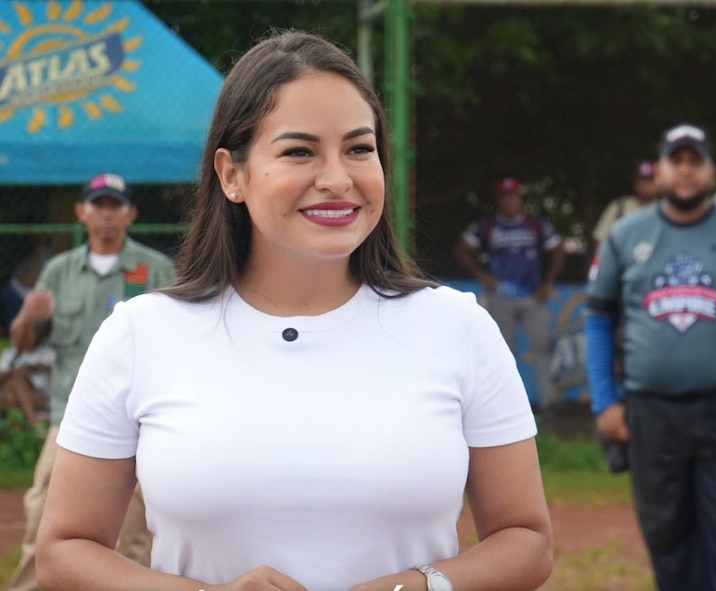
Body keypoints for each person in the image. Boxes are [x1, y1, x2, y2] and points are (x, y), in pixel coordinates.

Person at [35, 31, 553, 591]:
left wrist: (417, 586)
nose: (337, 179)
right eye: (299, 151)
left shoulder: (458, 327)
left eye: (359, 148)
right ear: (231, 174)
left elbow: (526, 541)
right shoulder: (140, 335)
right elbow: (64, 552)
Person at [585, 123, 716, 591]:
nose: (687, 171)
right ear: (661, 170)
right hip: (652, 412)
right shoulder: (628, 234)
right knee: (668, 541)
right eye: (678, 161)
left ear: (712, 170)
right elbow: (597, 316)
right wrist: (604, 402)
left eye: (696, 161)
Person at [7, 172, 175, 591]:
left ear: (130, 214)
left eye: (114, 205)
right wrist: (28, 316)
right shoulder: (59, 272)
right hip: (69, 418)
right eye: (97, 204)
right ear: (82, 212)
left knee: (132, 535)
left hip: (140, 420)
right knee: (43, 521)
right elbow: (25, 342)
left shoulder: (155, 269)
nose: (105, 214)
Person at [453, 176, 565, 413]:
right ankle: (506, 407)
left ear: (520, 198)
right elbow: (461, 249)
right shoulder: (488, 224)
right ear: (499, 200)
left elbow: (558, 250)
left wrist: (547, 284)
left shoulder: (535, 224)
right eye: (505, 197)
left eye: (513, 196)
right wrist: (481, 275)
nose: (510, 201)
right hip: (501, 294)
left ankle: (549, 404)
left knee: (542, 346)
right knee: (502, 352)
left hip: (532, 294)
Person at [591, 159, 660, 253]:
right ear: (635, 183)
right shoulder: (619, 207)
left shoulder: (669, 211)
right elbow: (600, 241)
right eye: (641, 180)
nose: (645, 185)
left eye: (650, 180)